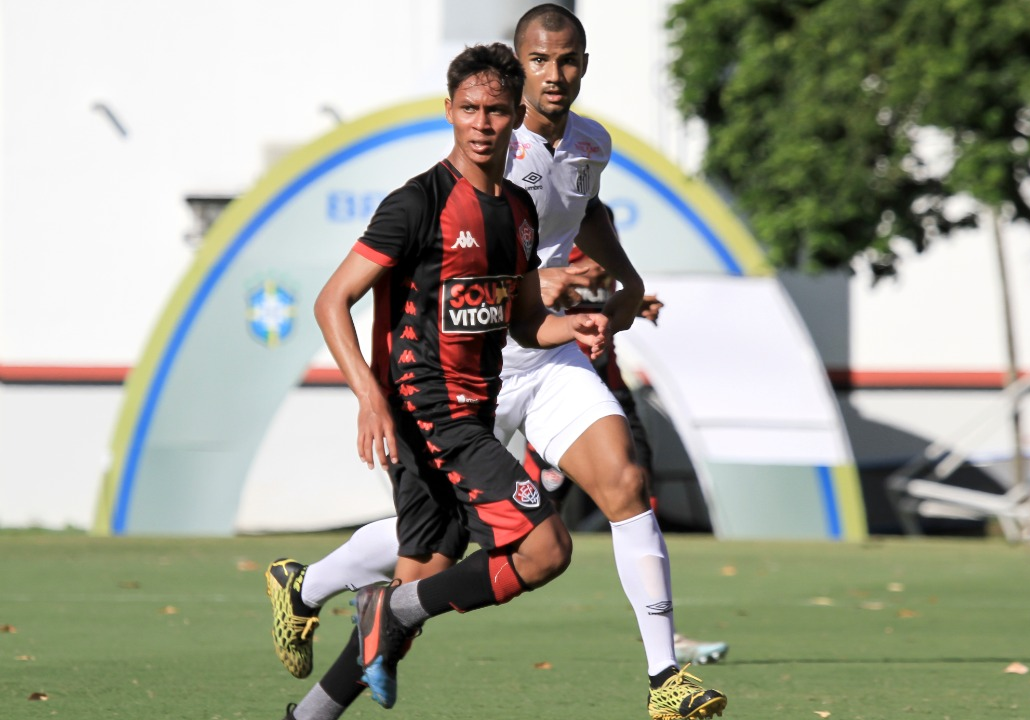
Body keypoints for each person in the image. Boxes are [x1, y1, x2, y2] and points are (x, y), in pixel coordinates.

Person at [268, 6, 728, 720]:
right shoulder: (455, 179)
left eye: (567, 60)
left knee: (623, 481)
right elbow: (365, 290)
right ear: (469, 102)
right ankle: (315, 597)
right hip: (451, 389)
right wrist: (371, 394)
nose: (555, 75)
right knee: (454, 551)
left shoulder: (573, 157)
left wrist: (604, 301)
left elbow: (579, 223)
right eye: (540, 61)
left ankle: (664, 676)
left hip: (529, 364)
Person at [278, 42, 609, 720]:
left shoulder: (518, 212)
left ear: (517, 116)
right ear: (449, 111)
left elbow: (520, 323)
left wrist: (570, 328)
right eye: (468, 110)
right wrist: (370, 395)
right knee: (545, 549)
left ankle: (309, 714)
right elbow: (330, 300)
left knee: (427, 578)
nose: (481, 124)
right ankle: (385, 608)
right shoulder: (417, 203)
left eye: (494, 111)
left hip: (470, 415)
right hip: (429, 415)